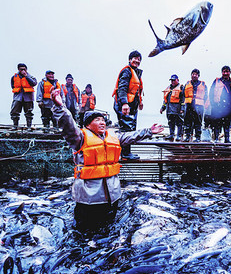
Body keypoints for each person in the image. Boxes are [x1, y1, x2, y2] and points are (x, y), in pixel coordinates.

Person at [51, 87, 163, 234]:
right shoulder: (79, 138)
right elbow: (68, 125)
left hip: (112, 194)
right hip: (89, 198)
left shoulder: (113, 137)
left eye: (103, 120)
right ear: (87, 125)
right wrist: (60, 106)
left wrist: (149, 131)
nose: (102, 122)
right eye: (97, 120)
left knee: (108, 230)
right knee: (83, 232)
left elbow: (131, 136)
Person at [112, 50, 144, 159]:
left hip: (132, 105)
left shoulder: (135, 72)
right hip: (125, 105)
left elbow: (136, 90)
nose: (137, 61)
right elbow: (122, 88)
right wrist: (125, 104)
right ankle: (125, 154)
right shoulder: (127, 71)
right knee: (126, 128)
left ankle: (125, 152)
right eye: (135, 58)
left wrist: (140, 102)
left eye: (139, 59)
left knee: (130, 128)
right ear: (130, 60)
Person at [209, 65, 231, 143]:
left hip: (229, 106)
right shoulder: (216, 81)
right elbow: (211, 93)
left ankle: (227, 139)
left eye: (227, 72)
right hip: (218, 106)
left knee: (227, 124)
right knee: (216, 123)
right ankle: (216, 138)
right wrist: (213, 104)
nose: (225, 73)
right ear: (221, 72)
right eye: (224, 72)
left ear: (230, 72)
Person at [183, 69, 208, 142]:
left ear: (198, 76)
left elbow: (206, 96)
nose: (194, 75)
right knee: (187, 122)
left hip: (199, 106)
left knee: (198, 122)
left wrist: (205, 105)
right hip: (189, 105)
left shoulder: (203, 85)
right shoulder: (187, 84)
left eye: (196, 74)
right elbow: (184, 94)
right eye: (193, 74)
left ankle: (197, 137)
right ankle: (187, 136)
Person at [10, 63, 37, 130]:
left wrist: (26, 76)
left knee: (29, 112)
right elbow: (12, 86)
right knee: (14, 112)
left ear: (26, 69)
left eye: (24, 69)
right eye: (21, 69)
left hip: (28, 98)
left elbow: (34, 83)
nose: (23, 70)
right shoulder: (14, 77)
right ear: (18, 69)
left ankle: (29, 126)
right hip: (18, 97)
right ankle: (15, 126)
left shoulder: (31, 77)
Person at [160, 74, 185, 142]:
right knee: (170, 122)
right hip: (169, 109)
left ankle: (179, 136)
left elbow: (183, 99)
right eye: (171, 80)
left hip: (177, 109)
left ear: (177, 80)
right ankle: (171, 135)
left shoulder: (181, 88)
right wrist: (162, 108)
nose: (172, 82)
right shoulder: (168, 88)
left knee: (179, 123)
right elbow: (165, 100)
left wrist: (182, 109)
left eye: (174, 80)